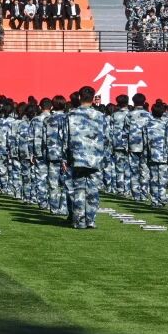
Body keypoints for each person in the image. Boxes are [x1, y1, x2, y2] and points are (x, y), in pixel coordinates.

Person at [65, 86, 106, 229]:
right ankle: (91, 220)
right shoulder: (100, 116)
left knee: (79, 190)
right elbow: (107, 138)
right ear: (93, 98)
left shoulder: (71, 115)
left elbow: (65, 137)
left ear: (79, 97)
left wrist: (64, 158)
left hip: (77, 157)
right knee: (93, 190)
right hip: (96, 157)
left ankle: (79, 221)